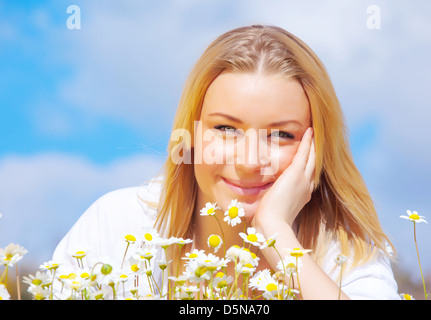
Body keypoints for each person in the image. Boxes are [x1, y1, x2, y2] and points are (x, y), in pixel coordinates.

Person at [52, 24, 400, 300]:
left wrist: (277, 235)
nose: (250, 161)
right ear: (192, 133)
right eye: (226, 128)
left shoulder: (348, 253)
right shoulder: (118, 227)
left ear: (316, 147)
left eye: (281, 135)